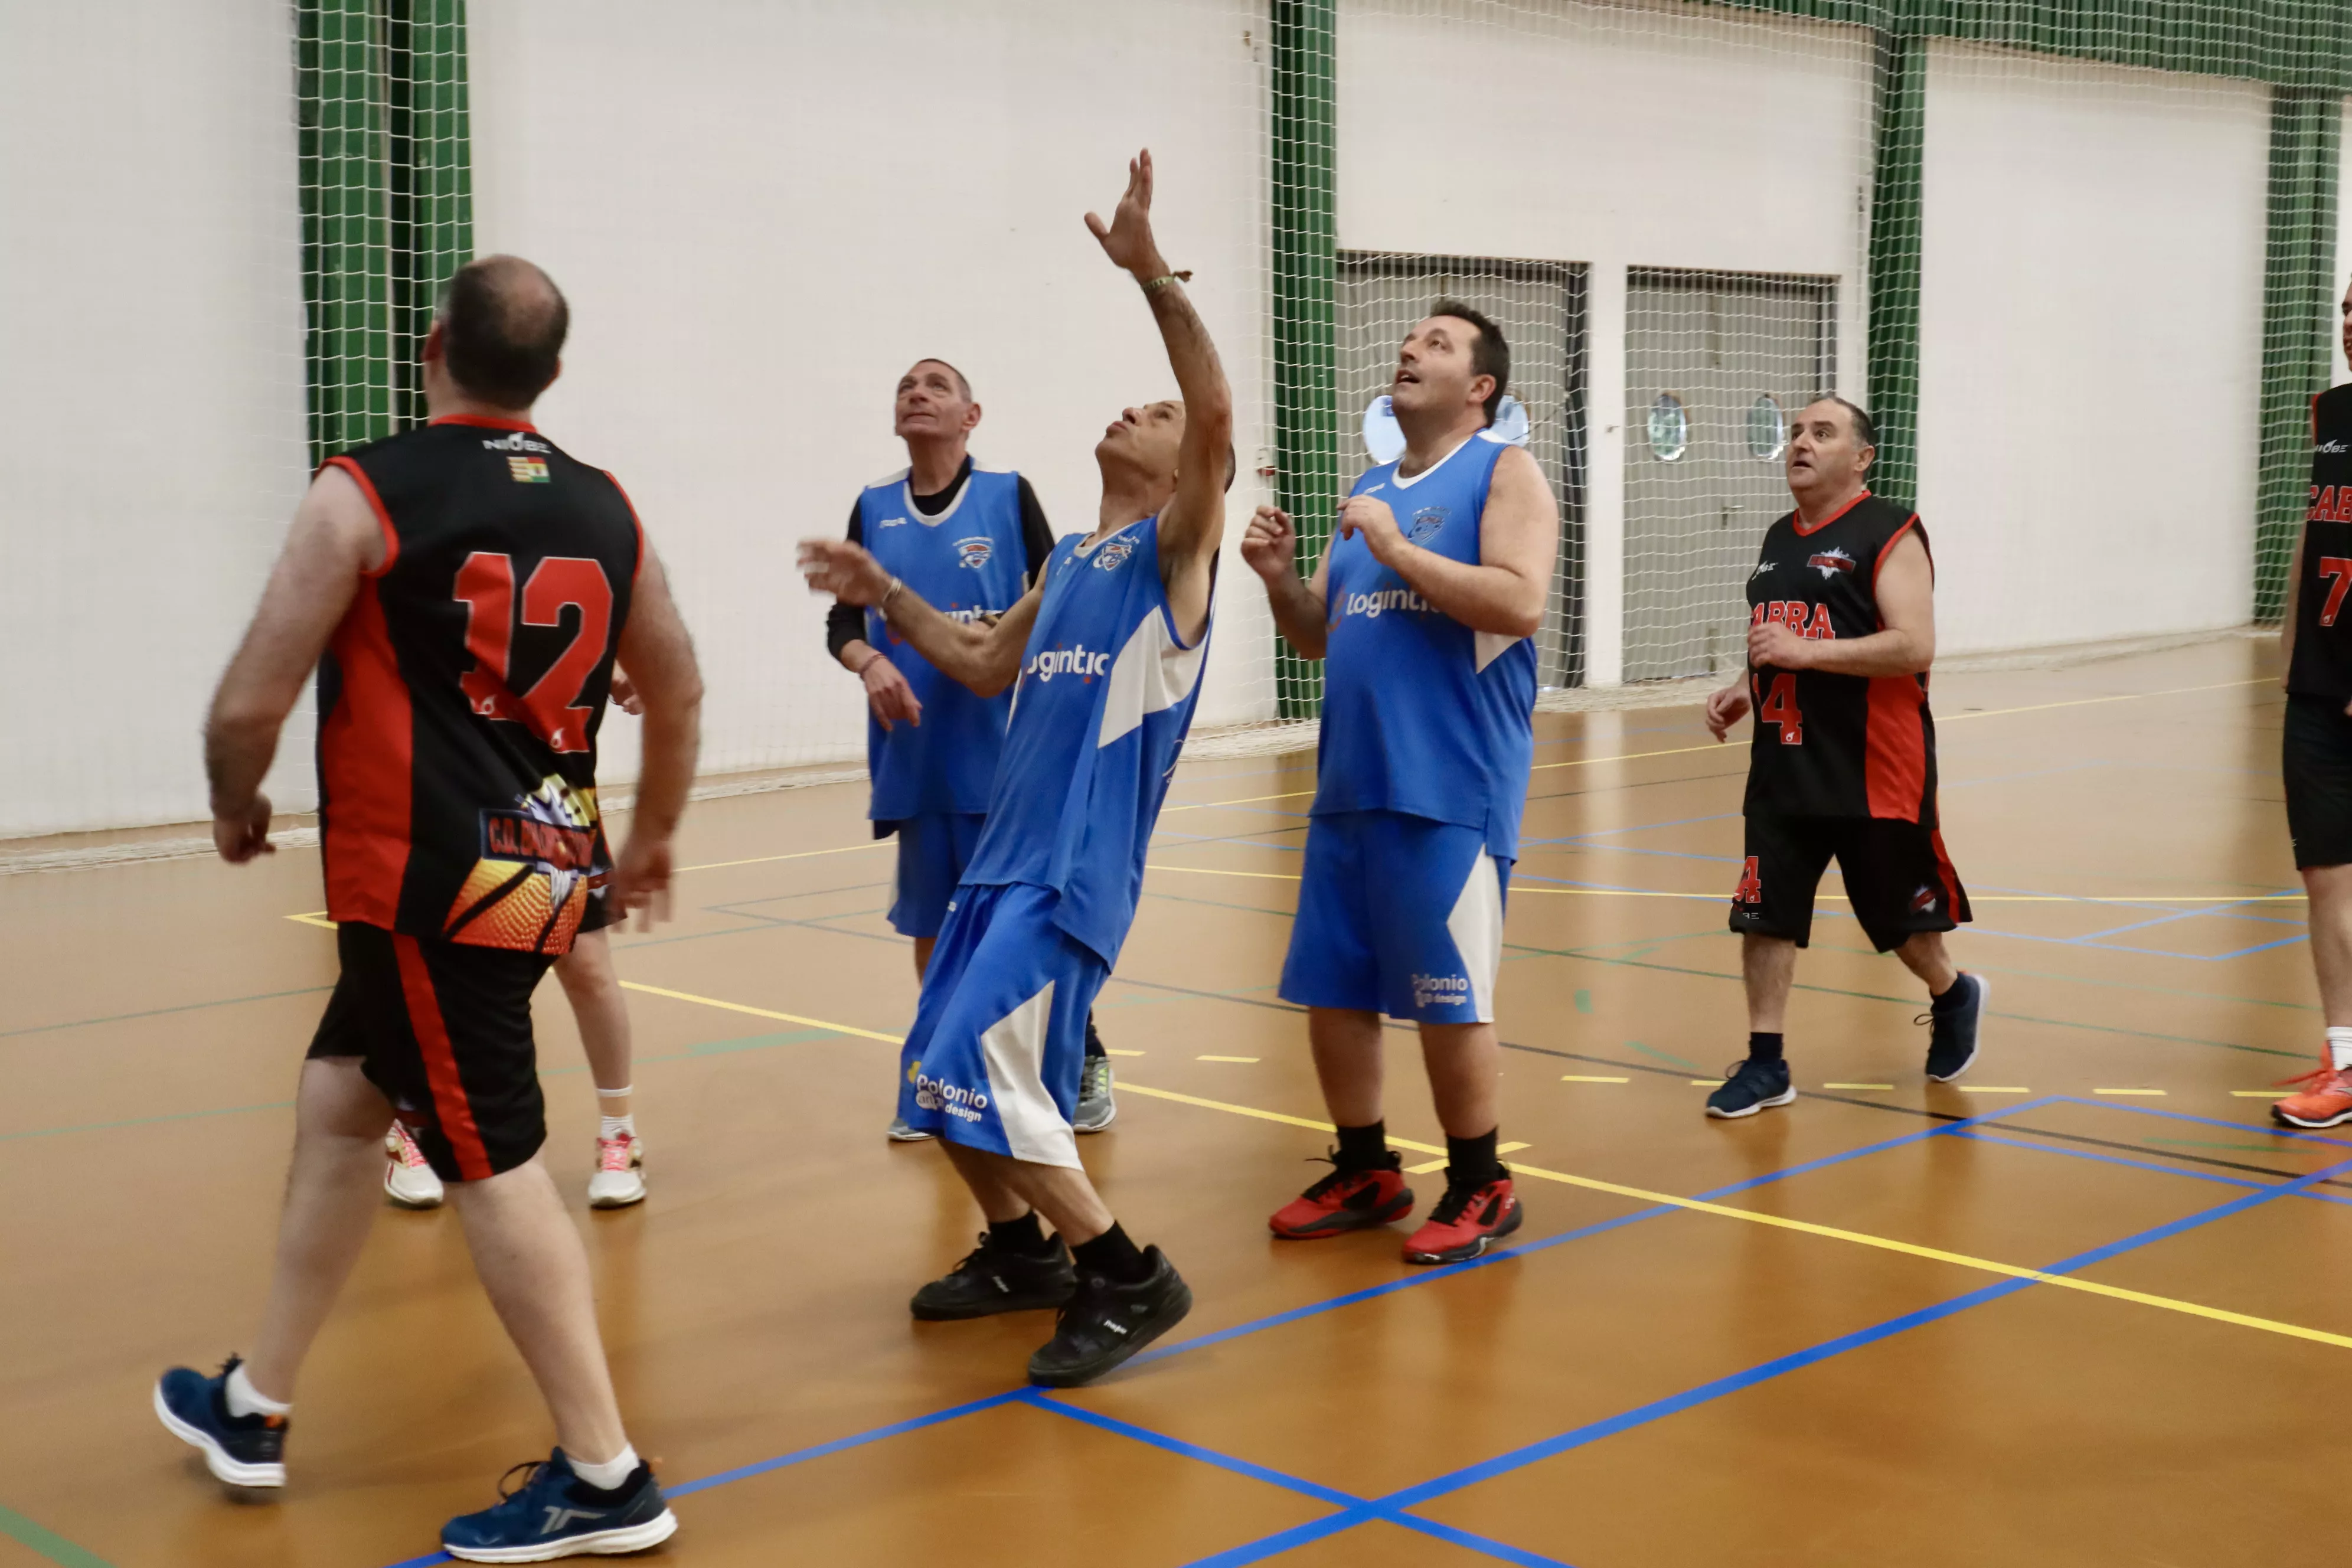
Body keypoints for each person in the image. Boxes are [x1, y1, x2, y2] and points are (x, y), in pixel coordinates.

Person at [153, 256, 704, 1562]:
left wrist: (236, 802)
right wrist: (658, 834)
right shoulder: (606, 503)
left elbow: (247, 703)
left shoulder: (364, 489)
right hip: (541, 864)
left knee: (490, 1158)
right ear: (552, 378)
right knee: (344, 1099)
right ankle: (257, 1402)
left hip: (422, 882)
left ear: (431, 343)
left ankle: (606, 1472)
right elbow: (676, 688)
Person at [798, 149, 1226, 1387]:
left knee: (984, 1062)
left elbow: (1215, 418)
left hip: (1070, 876)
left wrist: (1152, 277)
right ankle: (1019, 1247)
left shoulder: (1172, 553)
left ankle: (1126, 1270)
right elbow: (980, 657)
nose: (1132, 412)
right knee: (932, 1070)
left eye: (1152, 412)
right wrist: (884, 595)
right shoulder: (1075, 569)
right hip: (997, 865)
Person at [1242, 303, 1559, 1265]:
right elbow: (1327, 636)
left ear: (1479, 388)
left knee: (1447, 996)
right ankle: (1366, 1167)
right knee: (1333, 993)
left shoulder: (1502, 471)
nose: (1409, 348)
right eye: (1408, 338)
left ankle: (1480, 1181)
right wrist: (1278, 578)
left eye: (1436, 342)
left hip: (1447, 788)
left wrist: (1391, 545)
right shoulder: (1371, 487)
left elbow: (1517, 598)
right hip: (1348, 785)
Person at [825, 360, 1118, 1142]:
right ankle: (943, 1072)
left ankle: (1081, 1053)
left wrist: (1014, 652)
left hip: (1007, 758)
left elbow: (1063, 600)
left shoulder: (1008, 495)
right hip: (917, 754)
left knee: (1022, 923)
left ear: (971, 416)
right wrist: (871, 661)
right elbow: (842, 625)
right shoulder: (874, 507)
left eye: (936, 385)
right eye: (905, 387)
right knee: (935, 927)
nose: (916, 393)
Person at [1696, 397, 1985, 1117]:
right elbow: (1780, 631)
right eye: (1796, 431)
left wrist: (1804, 654)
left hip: (1872, 771)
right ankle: (1767, 1063)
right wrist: (1744, 685)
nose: (1801, 442)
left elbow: (1914, 645)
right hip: (1784, 765)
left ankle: (1953, 993)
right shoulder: (1777, 537)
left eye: (1821, 433)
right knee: (1764, 913)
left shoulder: (1890, 531)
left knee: (1897, 923)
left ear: (1862, 458)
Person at [384, 690, 646, 1210]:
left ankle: (620, 1137)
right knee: (434, 974)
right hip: (450, 793)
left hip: (550, 794)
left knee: (587, 967)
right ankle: (411, 1128)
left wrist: (614, 658)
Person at [2271, 279, 2352, 1129]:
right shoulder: (2328, 411)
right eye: (2347, 311)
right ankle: (2347, 1057)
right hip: (2319, 688)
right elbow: (2316, 524)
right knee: (2325, 874)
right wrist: (2292, 650)